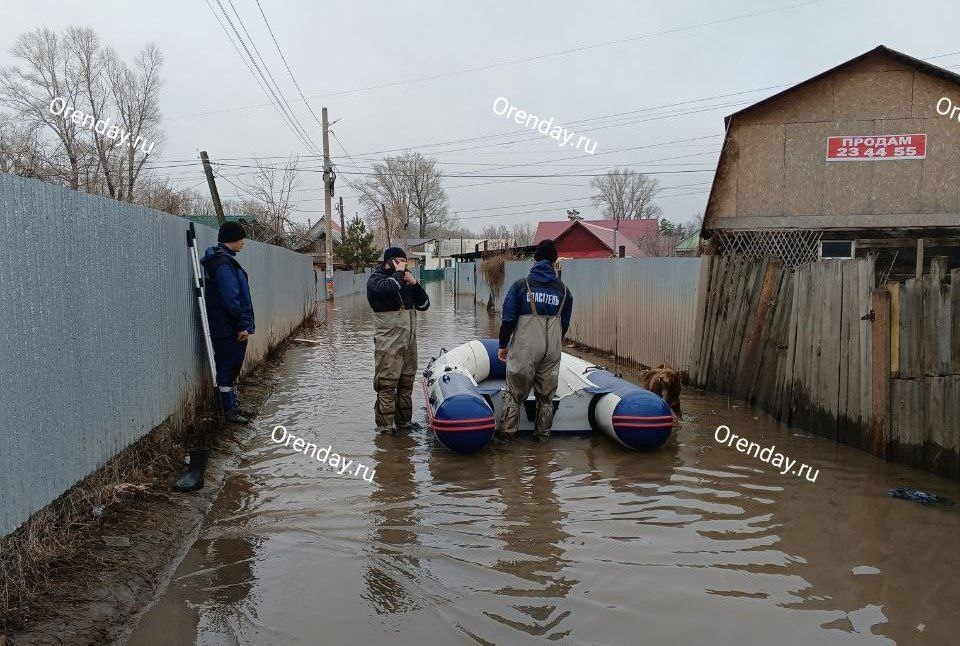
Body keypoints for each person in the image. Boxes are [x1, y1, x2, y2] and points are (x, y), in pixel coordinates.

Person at [497, 239, 573, 442]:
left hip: (526, 347)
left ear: (535, 259)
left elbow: (508, 319)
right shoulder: (565, 291)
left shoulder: (521, 286)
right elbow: (564, 325)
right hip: (553, 349)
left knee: (514, 394)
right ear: (554, 262)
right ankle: (542, 442)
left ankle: (506, 441)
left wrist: (503, 345)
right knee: (546, 398)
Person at [366, 247, 430, 435]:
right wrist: (399, 273)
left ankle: (404, 425)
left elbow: (425, 305)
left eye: (405, 260)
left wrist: (415, 284)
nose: (404, 263)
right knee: (387, 386)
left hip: (409, 345)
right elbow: (391, 286)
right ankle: (385, 430)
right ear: (390, 261)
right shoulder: (376, 280)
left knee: (406, 384)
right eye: (400, 260)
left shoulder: (407, 280)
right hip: (388, 346)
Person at [201, 221, 256, 424]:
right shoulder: (223, 264)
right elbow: (230, 298)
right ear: (232, 239)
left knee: (232, 366)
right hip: (228, 327)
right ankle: (228, 410)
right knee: (228, 365)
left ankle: (232, 405)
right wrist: (240, 325)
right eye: (241, 239)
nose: (243, 243)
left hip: (229, 325)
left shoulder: (225, 261)